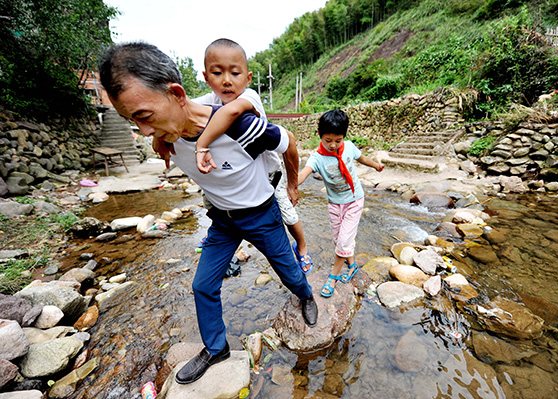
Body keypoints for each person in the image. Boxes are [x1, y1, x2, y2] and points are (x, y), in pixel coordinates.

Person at [98, 42, 318, 385]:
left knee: (289, 270)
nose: (143, 132)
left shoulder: (240, 125)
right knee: (202, 285)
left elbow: (289, 144)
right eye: (131, 120)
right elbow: (164, 134)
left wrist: (292, 185)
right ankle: (216, 348)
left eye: (143, 117)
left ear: (175, 93)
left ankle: (305, 295)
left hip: (262, 214)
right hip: (222, 220)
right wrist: (161, 139)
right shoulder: (166, 135)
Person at [192, 38, 313, 274]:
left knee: (287, 214)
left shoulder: (249, 96)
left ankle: (303, 248)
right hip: (237, 175)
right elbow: (183, 109)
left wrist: (202, 143)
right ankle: (216, 241)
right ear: (206, 77)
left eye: (235, 73)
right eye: (217, 73)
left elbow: (232, 111)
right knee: (213, 204)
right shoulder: (210, 101)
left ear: (247, 78)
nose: (226, 80)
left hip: (268, 175)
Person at [298, 109, 384, 298]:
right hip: (335, 204)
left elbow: (362, 158)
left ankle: (333, 277)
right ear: (320, 136)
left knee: (344, 240)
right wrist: (291, 185)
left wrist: (376, 165)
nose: (333, 145)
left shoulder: (350, 147)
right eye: (328, 141)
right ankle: (352, 266)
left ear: (344, 136)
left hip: (354, 200)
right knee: (339, 240)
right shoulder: (317, 158)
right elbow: (304, 173)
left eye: (338, 140)